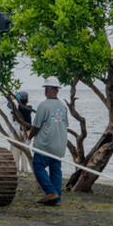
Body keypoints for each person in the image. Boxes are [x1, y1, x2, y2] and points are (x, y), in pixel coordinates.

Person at [28, 77, 69, 206]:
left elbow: (36, 126)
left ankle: (51, 192)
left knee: (38, 166)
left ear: (52, 89)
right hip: (59, 145)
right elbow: (64, 125)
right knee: (56, 169)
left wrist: (28, 139)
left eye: (47, 88)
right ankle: (56, 196)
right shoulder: (63, 106)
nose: (45, 91)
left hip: (45, 146)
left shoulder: (43, 105)